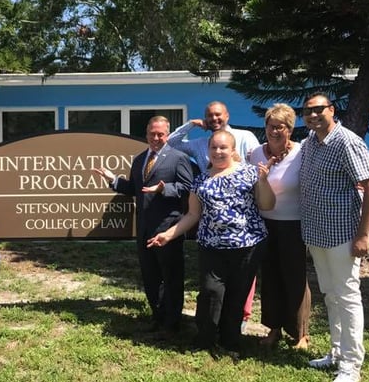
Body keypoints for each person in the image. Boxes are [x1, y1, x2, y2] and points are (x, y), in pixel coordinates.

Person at [148, 130, 275, 360]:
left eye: (223, 148)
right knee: (210, 292)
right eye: (214, 148)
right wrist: (168, 235)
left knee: (237, 295)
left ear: (233, 150)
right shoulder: (201, 181)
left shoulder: (250, 174)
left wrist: (264, 181)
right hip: (211, 245)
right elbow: (192, 215)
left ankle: (230, 342)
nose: (218, 152)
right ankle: (205, 339)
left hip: (247, 245)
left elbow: (267, 204)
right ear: (208, 151)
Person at [299, 93, 369, 382]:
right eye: (307, 111)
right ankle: (335, 352)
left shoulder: (347, 141)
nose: (312, 115)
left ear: (331, 110)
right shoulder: (310, 142)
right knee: (330, 295)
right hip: (317, 233)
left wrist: (363, 234)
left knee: (347, 297)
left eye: (318, 109)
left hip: (343, 235)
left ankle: (351, 365)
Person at [93, 116, 193, 333]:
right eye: (152, 134)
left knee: (171, 278)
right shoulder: (139, 160)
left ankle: (172, 324)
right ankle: (158, 317)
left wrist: (163, 189)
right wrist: (114, 180)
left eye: (161, 134)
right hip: (144, 228)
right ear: (146, 134)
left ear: (167, 135)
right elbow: (134, 190)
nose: (156, 138)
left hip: (169, 228)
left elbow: (187, 188)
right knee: (151, 277)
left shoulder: (178, 158)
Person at [168, 101, 261, 330]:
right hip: (210, 221)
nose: (215, 119)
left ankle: (241, 320)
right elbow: (172, 142)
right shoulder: (200, 144)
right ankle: (210, 329)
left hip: (243, 221)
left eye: (218, 115)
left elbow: (259, 165)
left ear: (227, 115)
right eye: (210, 116)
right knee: (212, 286)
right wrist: (190, 124)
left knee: (240, 284)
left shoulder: (245, 137)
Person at [247, 104, 310, 349]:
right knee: (271, 277)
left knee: (295, 277)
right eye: (271, 126)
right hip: (264, 224)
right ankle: (274, 329)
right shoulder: (255, 154)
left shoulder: (301, 153)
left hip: (294, 224)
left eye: (280, 127)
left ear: (290, 130)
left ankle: (301, 333)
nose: (274, 131)